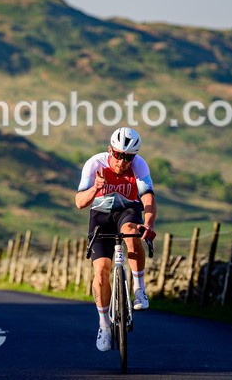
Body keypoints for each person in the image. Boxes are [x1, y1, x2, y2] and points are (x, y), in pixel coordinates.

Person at [75, 127, 157, 352]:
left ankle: (139, 289)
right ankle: (104, 325)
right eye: (119, 154)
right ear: (110, 150)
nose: (122, 161)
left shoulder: (139, 165)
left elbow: (148, 197)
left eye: (128, 157)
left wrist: (148, 224)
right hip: (100, 215)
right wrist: (95, 188)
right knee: (101, 270)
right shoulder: (95, 164)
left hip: (127, 211)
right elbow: (80, 202)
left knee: (132, 231)